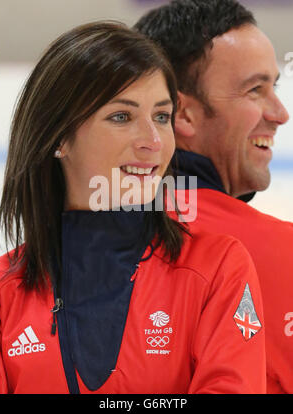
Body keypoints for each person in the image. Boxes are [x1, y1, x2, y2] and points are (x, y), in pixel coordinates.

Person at [0, 21, 265, 394]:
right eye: (122, 117)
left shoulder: (217, 268)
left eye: (161, 117)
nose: (153, 142)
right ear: (58, 137)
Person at [135, 0, 293, 394]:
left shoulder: (66, 242)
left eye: (275, 86)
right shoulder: (280, 252)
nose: (279, 112)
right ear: (182, 115)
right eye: (255, 89)